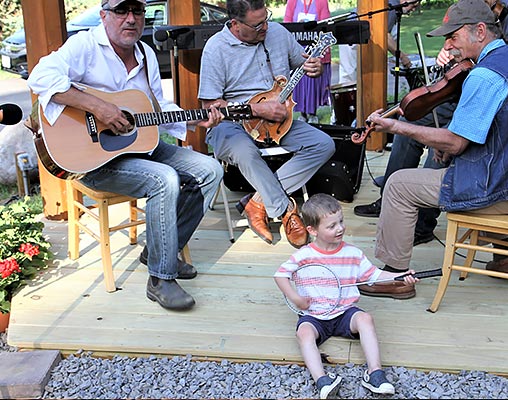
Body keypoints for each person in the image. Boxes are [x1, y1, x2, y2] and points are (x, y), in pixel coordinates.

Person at [28, 0, 224, 311]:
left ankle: (161, 249)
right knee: (165, 180)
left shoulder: (145, 53)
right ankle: (161, 278)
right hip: (93, 158)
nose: (131, 19)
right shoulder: (85, 46)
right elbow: (40, 77)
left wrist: (193, 118)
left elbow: (154, 109)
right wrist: (98, 107)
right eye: (122, 11)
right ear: (104, 14)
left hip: (140, 147)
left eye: (137, 12)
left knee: (209, 169)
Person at [362, 0, 508, 300]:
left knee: (399, 185)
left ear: (480, 31)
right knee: (457, 162)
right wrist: (453, 150)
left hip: (507, 190)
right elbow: (503, 131)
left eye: (453, 36)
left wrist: (395, 128)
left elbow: (455, 141)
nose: (449, 45)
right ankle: (504, 255)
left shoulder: (484, 75)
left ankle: (395, 277)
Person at [198, 0, 336, 249]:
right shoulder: (216, 48)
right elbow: (211, 106)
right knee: (245, 152)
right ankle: (285, 211)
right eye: (257, 24)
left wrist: (313, 67)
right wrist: (255, 109)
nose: (265, 27)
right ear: (235, 24)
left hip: (278, 121)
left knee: (323, 144)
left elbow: (302, 62)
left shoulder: (277, 32)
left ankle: (258, 201)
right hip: (232, 123)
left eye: (266, 19)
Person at [274, 193, 419, 399]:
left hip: (344, 313)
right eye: (331, 226)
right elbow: (280, 275)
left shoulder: (352, 253)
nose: (340, 228)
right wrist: (295, 297)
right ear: (312, 230)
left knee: (365, 319)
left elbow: (374, 276)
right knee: (304, 334)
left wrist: (399, 277)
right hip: (315, 316)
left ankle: (375, 374)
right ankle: (322, 381)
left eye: (341, 221)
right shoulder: (304, 255)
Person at [284, 0, 332, 124]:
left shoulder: (321, 2)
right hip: (297, 50)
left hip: (315, 50)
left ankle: (313, 113)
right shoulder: (292, 2)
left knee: (313, 82)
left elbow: (326, 25)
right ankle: (302, 114)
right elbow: (286, 25)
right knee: (300, 83)